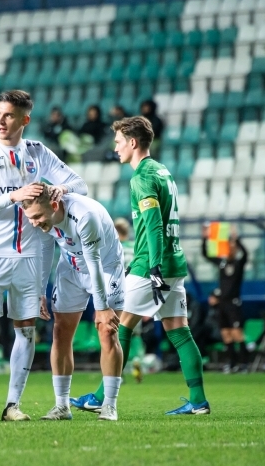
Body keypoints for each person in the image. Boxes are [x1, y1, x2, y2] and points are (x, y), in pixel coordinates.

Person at [0, 90, 87, 422]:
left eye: (9, 115)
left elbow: (80, 184)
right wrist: (14, 196)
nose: (2, 120)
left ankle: (12, 404)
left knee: (26, 330)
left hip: (29, 254)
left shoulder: (37, 152)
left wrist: (62, 189)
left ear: (24, 120)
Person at [71, 115, 210, 415]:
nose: (116, 147)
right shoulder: (162, 171)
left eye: (119, 141)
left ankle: (100, 397)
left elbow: (154, 224)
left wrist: (154, 267)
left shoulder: (142, 176)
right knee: (179, 331)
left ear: (133, 143)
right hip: (175, 262)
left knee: (116, 327)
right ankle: (198, 400)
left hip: (150, 265)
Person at [21, 185, 125, 421]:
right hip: (71, 267)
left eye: (37, 217)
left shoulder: (84, 216)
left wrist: (102, 308)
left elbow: (94, 263)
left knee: (107, 331)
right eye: (31, 218)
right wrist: (40, 291)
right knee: (60, 332)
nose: (34, 222)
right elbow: (46, 248)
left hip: (105, 269)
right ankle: (61, 406)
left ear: (55, 206)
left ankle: (109, 405)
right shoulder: (41, 219)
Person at [201, 225, 248, 373]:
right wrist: (205, 238)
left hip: (233, 303)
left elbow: (246, 254)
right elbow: (206, 254)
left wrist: (237, 239)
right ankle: (232, 363)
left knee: (237, 334)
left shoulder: (238, 264)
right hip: (222, 304)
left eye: (232, 246)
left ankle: (243, 364)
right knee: (226, 335)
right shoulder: (222, 263)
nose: (230, 249)